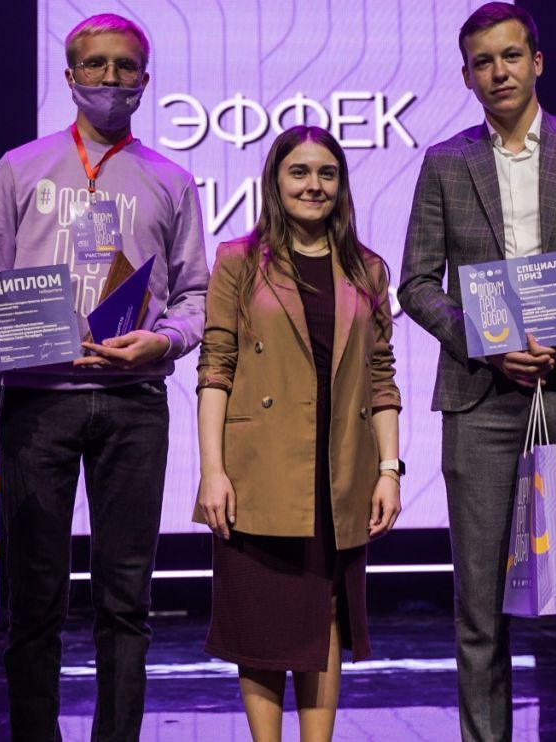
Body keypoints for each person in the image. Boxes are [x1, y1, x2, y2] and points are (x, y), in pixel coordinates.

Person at [0, 13, 209, 741]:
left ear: (145, 80)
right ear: (69, 76)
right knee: (35, 599)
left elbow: (197, 296)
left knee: (126, 601)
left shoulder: (172, 180)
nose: (110, 79)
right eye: (95, 65)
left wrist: (164, 341)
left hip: (134, 404)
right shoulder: (20, 167)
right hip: (37, 402)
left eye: (126, 66)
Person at [398, 2, 556, 741]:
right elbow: (416, 283)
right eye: (483, 62)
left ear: (536, 61)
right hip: (483, 397)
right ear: (466, 76)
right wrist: (484, 342)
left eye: (511, 56)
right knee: (479, 607)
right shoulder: (446, 161)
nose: (499, 72)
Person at [194, 125, 403, 742]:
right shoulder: (238, 260)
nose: (314, 185)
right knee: (260, 622)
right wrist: (212, 471)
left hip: (338, 467)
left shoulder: (367, 268)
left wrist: (389, 470)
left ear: (341, 185)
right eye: (300, 172)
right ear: (275, 181)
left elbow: (381, 376)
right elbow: (216, 367)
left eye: (327, 173)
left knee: (325, 613)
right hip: (258, 466)